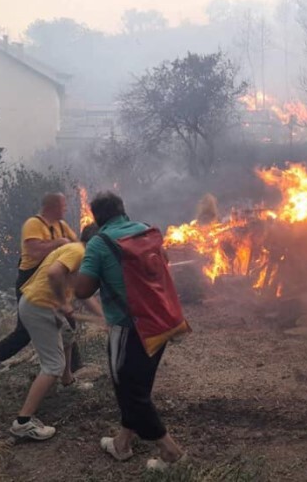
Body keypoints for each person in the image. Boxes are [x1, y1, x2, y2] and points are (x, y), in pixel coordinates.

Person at [75, 191, 186, 470]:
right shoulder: (146, 231)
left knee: (128, 390)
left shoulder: (99, 243)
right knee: (138, 383)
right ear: (123, 209)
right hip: (161, 321)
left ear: (96, 218)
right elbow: (165, 261)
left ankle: (171, 453)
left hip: (129, 327)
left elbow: (83, 289)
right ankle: (122, 443)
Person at [0, 192, 79, 389]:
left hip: (49, 281)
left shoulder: (62, 226)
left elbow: (74, 246)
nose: (66, 209)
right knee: (24, 333)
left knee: (68, 322)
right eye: (63, 205)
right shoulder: (34, 225)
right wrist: (58, 244)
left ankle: (72, 370)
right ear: (52, 207)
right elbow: (34, 251)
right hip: (29, 283)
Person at [10, 223, 101, 440]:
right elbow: (53, 272)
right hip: (39, 307)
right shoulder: (78, 251)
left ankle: (67, 381)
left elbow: (82, 293)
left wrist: (102, 317)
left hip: (41, 305)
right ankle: (23, 422)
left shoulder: (80, 254)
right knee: (53, 365)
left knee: (68, 334)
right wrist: (62, 301)